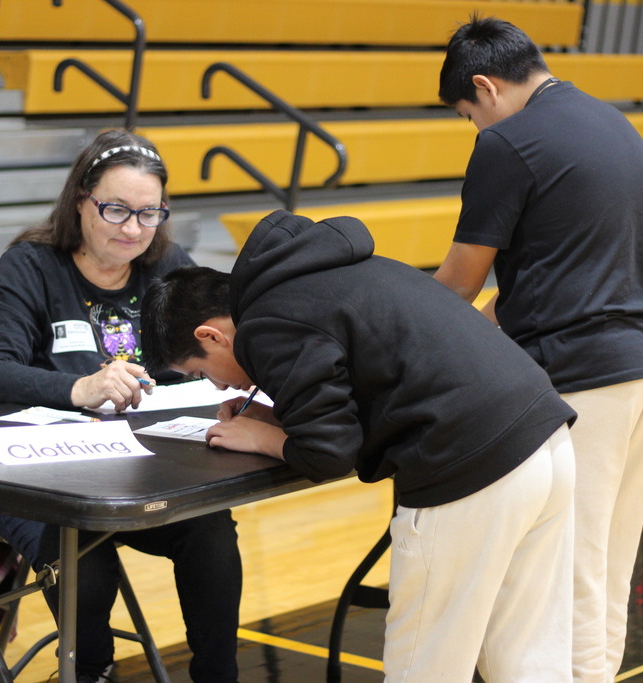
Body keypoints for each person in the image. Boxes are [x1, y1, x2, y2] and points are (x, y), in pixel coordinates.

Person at [140, 209, 579, 682]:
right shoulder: (321, 272)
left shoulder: (267, 321)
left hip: (470, 464)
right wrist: (282, 417)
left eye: (202, 372)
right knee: (527, 655)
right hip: (543, 436)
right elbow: (364, 377)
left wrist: (264, 436)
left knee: (424, 666)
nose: (218, 389)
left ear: (211, 335)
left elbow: (328, 454)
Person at [432, 16, 643, 683]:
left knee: (570, 568)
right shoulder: (612, 123)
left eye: (466, 114)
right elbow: (571, 264)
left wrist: (398, 319)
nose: (474, 128)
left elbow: (458, 280)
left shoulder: (508, 143)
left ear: (485, 86)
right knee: (606, 560)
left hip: (584, 376)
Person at [0, 129, 242, 683]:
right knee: (86, 568)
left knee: (209, 531)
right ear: (79, 201)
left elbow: (211, 345)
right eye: (115, 210)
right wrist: (78, 389)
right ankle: (90, 671)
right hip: (26, 470)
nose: (133, 229)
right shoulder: (31, 266)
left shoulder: (167, 267)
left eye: (149, 213)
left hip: (131, 467)